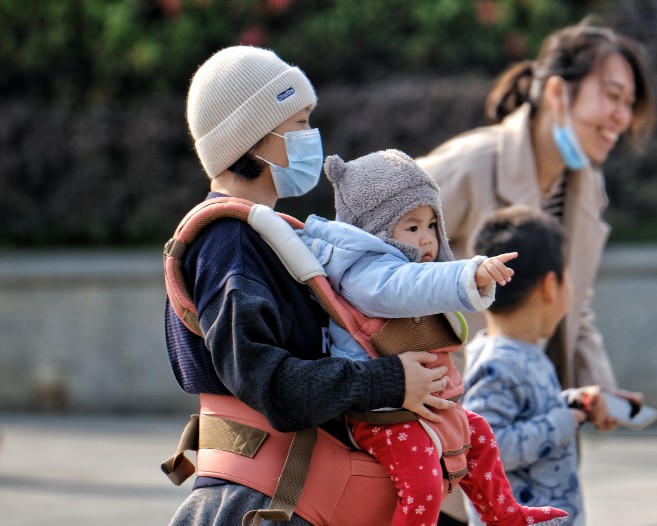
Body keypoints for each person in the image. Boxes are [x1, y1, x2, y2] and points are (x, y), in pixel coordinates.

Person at [165, 46, 455, 526]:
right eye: (298, 124)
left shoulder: (262, 232)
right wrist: (390, 380)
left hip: (285, 495)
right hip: (260, 501)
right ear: (250, 138)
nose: (310, 138)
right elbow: (269, 383)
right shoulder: (228, 243)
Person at [300, 150, 569, 526]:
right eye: (412, 227)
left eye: (431, 225)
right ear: (374, 229)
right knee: (424, 487)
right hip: (382, 415)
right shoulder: (364, 272)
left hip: (418, 408)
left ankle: (504, 514)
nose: (426, 239)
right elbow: (405, 287)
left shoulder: (394, 267)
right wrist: (467, 274)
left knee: (480, 435)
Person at [416, 19, 657, 395]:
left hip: (524, 416)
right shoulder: (471, 163)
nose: (622, 118)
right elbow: (376, 249)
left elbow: (572, 299)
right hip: (449, 412)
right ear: (558, 93)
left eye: (629, 104)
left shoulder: (586, 185)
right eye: (612, 96)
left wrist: (599, 390)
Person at [463, 205, 608, 526]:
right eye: (569, 278)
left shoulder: (525, 353)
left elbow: (530, 410)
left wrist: (573, 402)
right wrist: (561, 421)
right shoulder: (496, 363)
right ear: (549, 286)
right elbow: (488, 447)